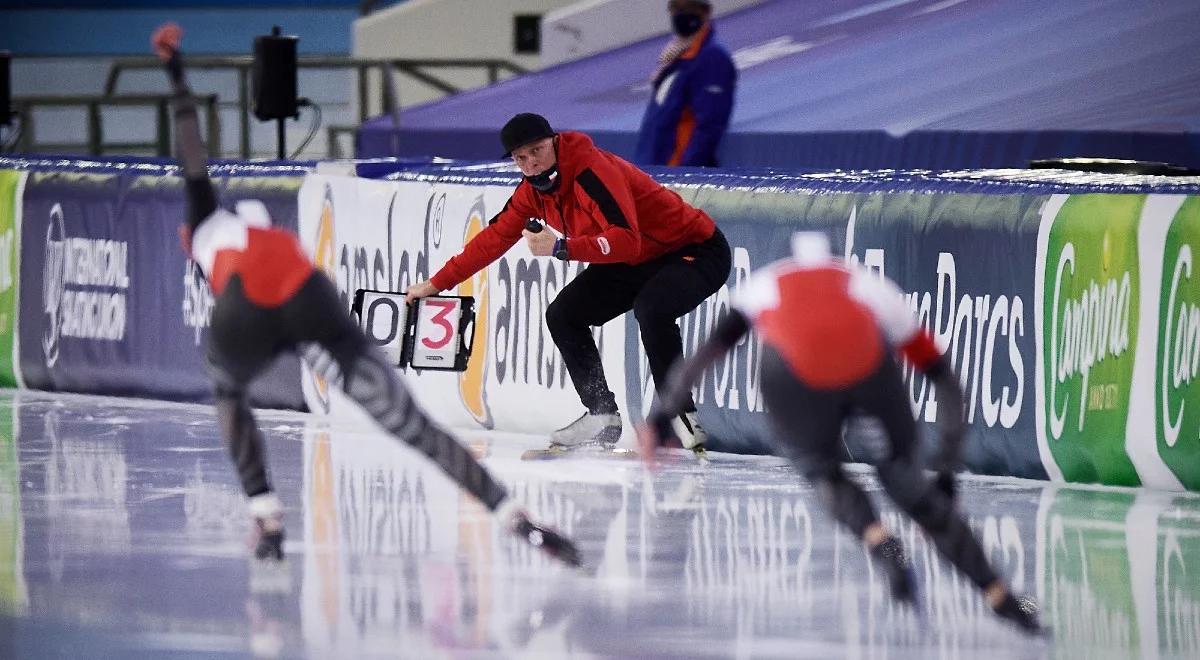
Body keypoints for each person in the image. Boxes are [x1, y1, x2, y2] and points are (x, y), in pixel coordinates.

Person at [151, 23, 579, 567]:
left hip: (245, 309)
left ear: (188, 241)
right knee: (410, 424)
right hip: (310, 295)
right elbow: (193, 142)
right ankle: (514, 516)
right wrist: (175, 70)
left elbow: (189, 146)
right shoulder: (240, 223)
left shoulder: (201, 223)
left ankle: (267, 516)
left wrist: (175, 71)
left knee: (229, 398)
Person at [637, 232, 1044, 634]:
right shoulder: (869, 284)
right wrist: (946, 474)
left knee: (823, 471)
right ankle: (997, 593)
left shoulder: (764, 284)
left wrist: (661, 417)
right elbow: (945, 381)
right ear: (837, 260)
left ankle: (877, 537)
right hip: (866, 367)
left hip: (790, 379)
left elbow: (704, 356)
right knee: (905, 479)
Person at [406, 113, 731, 452]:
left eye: (538, 150)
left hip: (695, 249)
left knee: (652, 308)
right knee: (564, 314)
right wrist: (435, 283)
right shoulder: (530, 194)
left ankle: (678, 412)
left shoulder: (591, 171)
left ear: (555, 141)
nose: (532, 163)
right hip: (639, 260)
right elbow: (491, 241)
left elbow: (626, 240)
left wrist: (562, 247)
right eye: (521, 158)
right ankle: (601, 412)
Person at [634, 0, 736, 167]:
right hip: (656, 173)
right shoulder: (676, 58)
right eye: (675, 8)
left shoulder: (712, 58)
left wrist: (685, 175)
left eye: (688, 8)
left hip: (678, 177)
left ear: (705, 11)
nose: (680, 14)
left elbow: (709, 126)